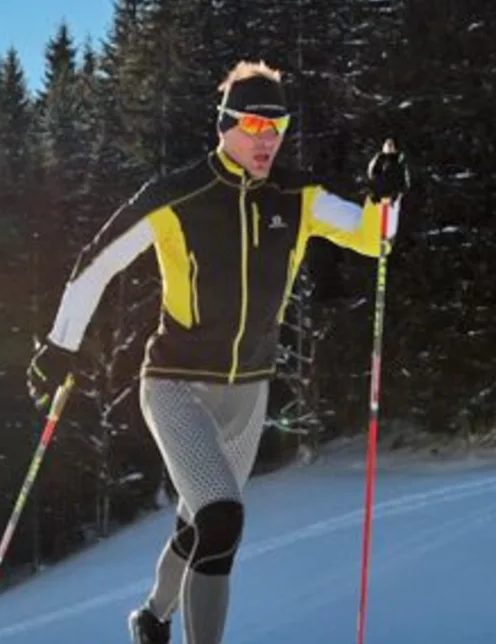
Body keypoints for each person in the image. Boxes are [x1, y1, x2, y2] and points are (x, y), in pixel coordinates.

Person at [26, 61, 409, 644]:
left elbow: (375, 237)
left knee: (197, 522)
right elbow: (96, 264)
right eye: (255, 124)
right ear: (225, 125)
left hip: (248, 394)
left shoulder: (297, 198)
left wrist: (387, 198)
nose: (267, 139)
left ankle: (152, 618)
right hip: (176, 384)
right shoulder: (178, 196)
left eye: (277, 125)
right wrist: (60, 346)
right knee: (222, 517)